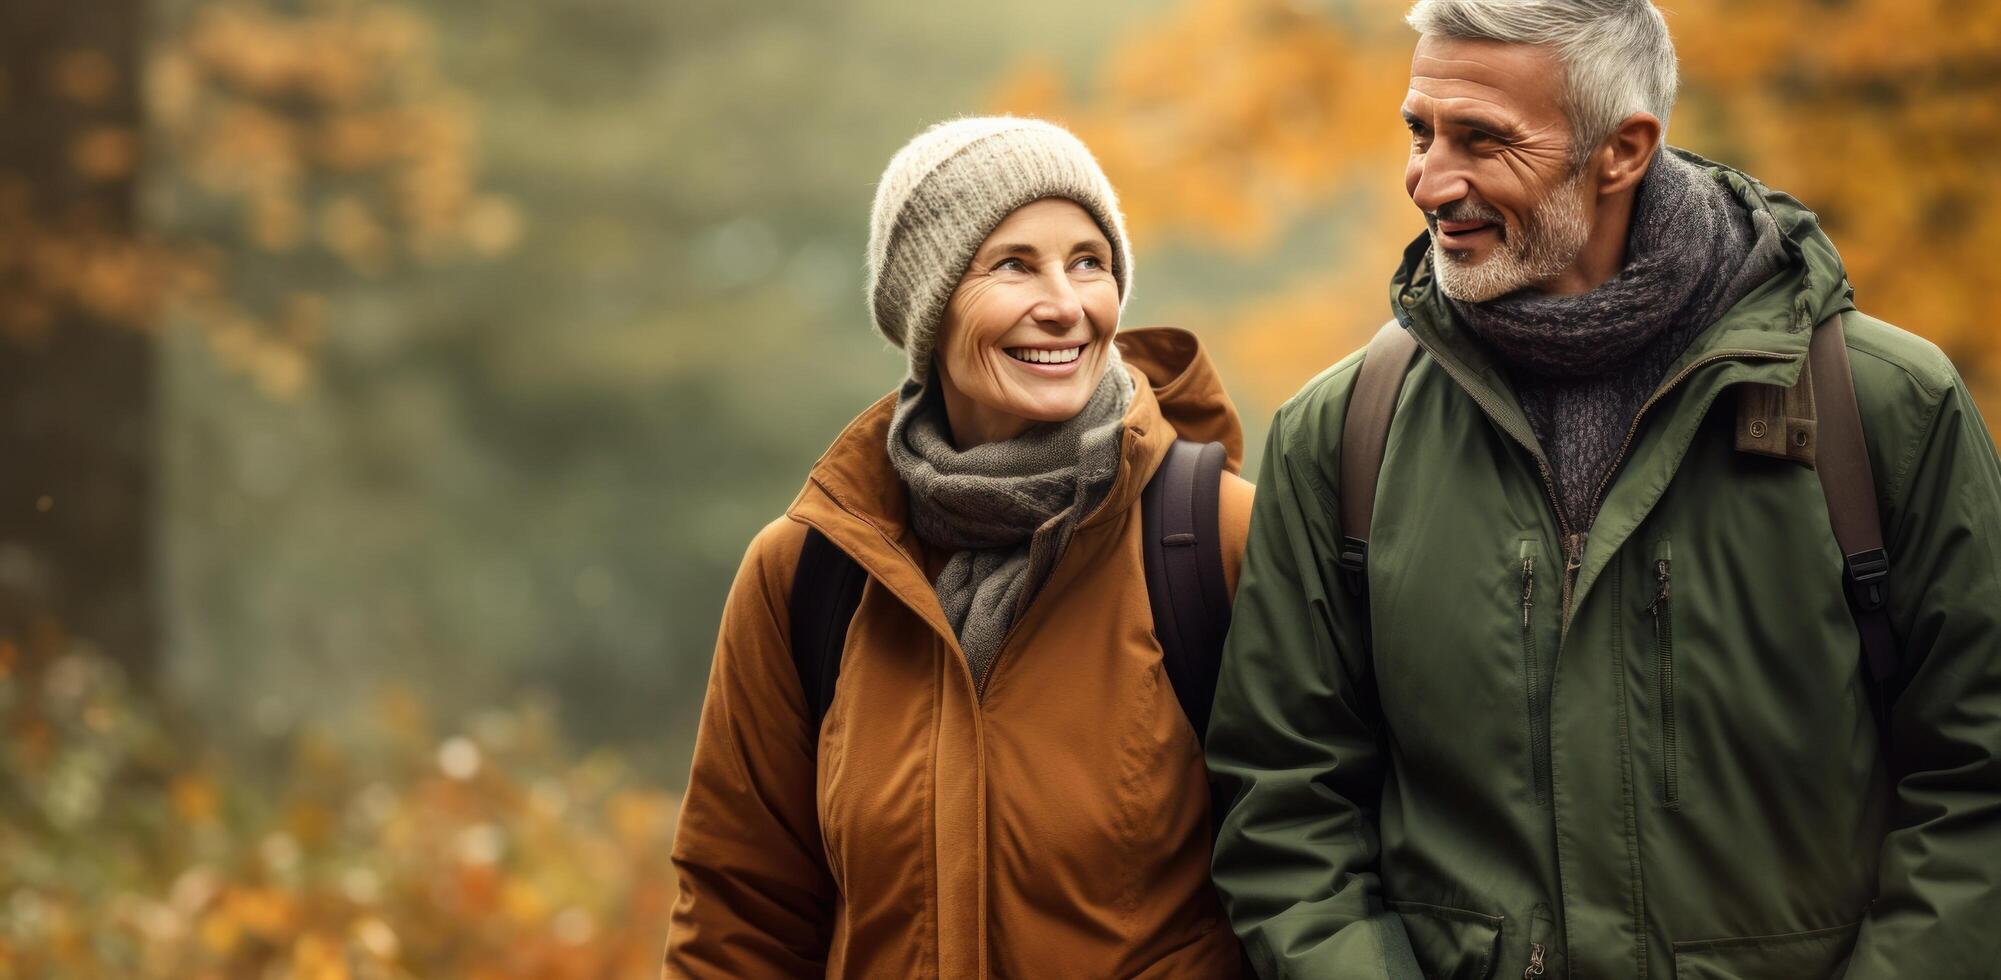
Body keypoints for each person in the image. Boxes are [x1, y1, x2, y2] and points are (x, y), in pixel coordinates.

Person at [1205, 2, 2001, 977]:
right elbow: (1287, 808)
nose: (1427, 179)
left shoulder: (1886, 411)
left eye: (1483, 140)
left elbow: (1977, 791)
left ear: (1622, 151)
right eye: (1419, 131)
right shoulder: (1340, 436)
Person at [663, 116, 1254, 978]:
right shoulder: (810, 574)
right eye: (1013, 264)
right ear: (928, 305)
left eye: (1088, 261)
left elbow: (1309, 870)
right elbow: (738, 910)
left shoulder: (1215, 542)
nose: (1065, 303)